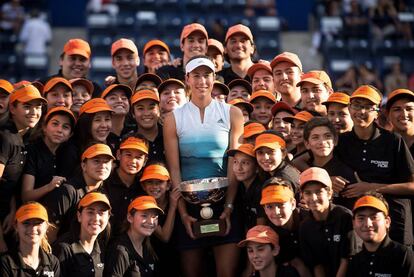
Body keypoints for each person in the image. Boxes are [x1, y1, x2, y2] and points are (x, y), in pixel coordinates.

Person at [163, 55, 244, 277]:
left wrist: (228, 207)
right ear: (187, 78)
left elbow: (233, 164)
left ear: (214, 77)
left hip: (227, 203)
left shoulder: (232, 113)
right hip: (188, 207)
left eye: (207, 75)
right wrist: (182, 213)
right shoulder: (173, 119)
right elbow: (175, 170)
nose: (202, 81)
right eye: (196, 75)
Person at [335, 85, 414, 247]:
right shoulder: (341, 142)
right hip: (356, 224)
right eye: (356, 105)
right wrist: (329, 179)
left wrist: (371, 187)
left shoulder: (393, 141)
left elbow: (412, 185)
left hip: (394, 221)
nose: (361, 112)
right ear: (349, 108)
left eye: (368, 107)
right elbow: (306, 160)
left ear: (377, 112)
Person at [0, 84, 46, 252]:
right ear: (12, 108)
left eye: (38, 107)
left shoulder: (24, 138)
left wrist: (12, 209)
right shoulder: (5, 138)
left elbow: (8, 182)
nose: (34, 112)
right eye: (27, 106)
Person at [42, 143, 114, 242]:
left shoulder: (104, 192)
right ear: (83, 165)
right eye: (96, 161)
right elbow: (48, 234)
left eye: (106, 162)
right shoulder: (68, 192)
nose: (102, 166)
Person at [299, 167, 353, 277]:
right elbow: (316, 265)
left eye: (318, 192)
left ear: (329, 194)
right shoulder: (305, 227)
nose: (313, 198)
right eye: (308, 193)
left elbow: (346, 259)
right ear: (302, 196)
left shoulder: (345, 217)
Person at [347, 193, 414, 276]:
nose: (368, 224)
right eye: (361, 218)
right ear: (354, 223)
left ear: (387, 222)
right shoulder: (355, 262)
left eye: (374, 217)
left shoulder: (404, 256)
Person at [22, 107, 75, 202]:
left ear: (70, 135)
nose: (59, 130)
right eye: (55, 124)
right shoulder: (32, 151)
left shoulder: (67, 154)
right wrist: (49, 187)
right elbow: (26, 196)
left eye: (65, 127)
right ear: (44, 127)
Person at [303, 117, 358, 210]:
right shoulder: (303, 169)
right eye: (315, 137)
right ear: (307, 144)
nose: (322, 142)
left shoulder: (345, 174)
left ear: (335, 140)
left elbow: (350, 211)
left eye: (327, 136)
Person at [260, 179, 311, 277]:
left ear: (293, 204)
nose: (276, 212)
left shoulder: (310, 221)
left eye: (280, 205)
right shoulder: (268, 236)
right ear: (264, 209)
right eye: (270, 206)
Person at [54, 192, 111, 277]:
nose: (96, 218)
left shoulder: (102, 247)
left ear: (108, 217)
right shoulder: (63, 248)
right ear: (79, 216)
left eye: (101, 213)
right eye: (90, 212)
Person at [104, 195, 163, 276]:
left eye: (154, 216)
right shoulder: (119, 251)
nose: (151, 221)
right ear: (130, 217)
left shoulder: (148, 248)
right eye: (144, 215)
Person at [140, 163, 182, 276]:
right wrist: (173, 206)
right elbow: (165, 236)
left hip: (177, 256)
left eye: (159, 182)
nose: (154, 186)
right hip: (154, 259)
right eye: (150, 182)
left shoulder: (175, 200)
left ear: (168, 185)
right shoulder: (144, 205)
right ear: (143, 186)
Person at [56, 98, 113, 178]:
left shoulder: (110, 145)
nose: (104, 125)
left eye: (107, 119)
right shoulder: (71, 150)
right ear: (85, 123)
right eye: (97, 120)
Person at [0, 202, 60, 276]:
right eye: (26, 223)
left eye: (38, 223)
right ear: (16, 226)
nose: (33, 228)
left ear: (46, 226)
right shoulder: (5, 263)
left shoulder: (53, 263)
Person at [253, 130, 300, 199]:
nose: (266, 157)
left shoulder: (284, 179)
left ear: (283, 153)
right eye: (260, 152)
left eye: (271, 152)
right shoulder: (267, 172)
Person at [228, 143, 265, 230]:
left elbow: (261, 227)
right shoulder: (239, 186)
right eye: (235, 162)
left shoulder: (260, 190)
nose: (239, 168)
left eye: (245, 163)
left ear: (257, 168)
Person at [131, 88, 164, 163]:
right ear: (133, 114)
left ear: (159, 110)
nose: (146, 113)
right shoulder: (127, 139)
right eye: (140, 108)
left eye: (151, 108)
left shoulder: (170, 135)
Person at [101, 84, 133, 150]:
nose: (120, 101)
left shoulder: (135, 131)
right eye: (113, 98)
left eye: (124, 98)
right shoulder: (99, 134)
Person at [386, 88, 414, 154]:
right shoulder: (381, 144)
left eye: (409, 109)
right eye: (397, 109)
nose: (404, 114)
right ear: (387, 115)